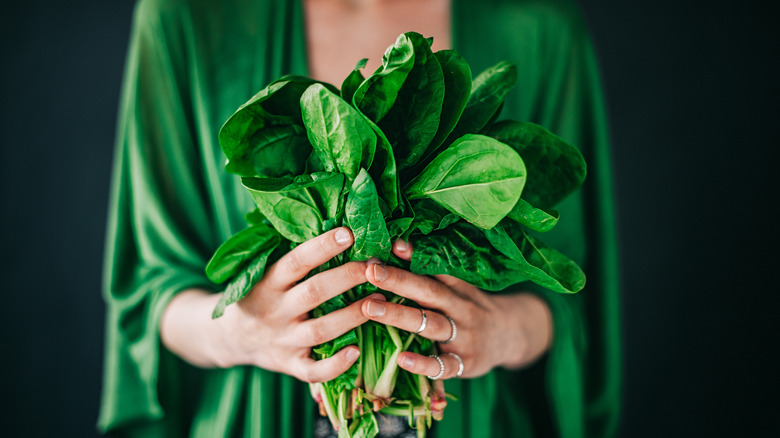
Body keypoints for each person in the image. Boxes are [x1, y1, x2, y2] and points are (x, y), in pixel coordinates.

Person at [98, 0, 621, 437]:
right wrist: (241, 331)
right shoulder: (186, 16)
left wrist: (502, 331)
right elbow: (149, 292)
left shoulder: (539, 26)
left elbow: (572, 294)